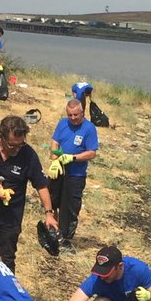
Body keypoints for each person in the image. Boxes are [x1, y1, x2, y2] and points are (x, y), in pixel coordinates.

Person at [0, 115, 58, 273]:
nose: (17, 149)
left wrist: (49, 213)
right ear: (2, 137)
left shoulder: (28, 154)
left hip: (10, 215)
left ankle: (5, 295)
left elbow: (41, 186)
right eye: (12, 145)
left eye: (20, 145)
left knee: (7, 258)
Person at [47, 99, 99, 252]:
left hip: (76, 174)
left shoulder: (89, 128)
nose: (73, 118)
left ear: (82, 113)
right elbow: (54, 142)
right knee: (52, 200)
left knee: (69, 207)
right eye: (70, 115)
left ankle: (65, 238)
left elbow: (92, 153)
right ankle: (53, 231)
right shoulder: (62, 123)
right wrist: (54, 160)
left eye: (76, 115)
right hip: (59, 170)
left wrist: (73, 158)